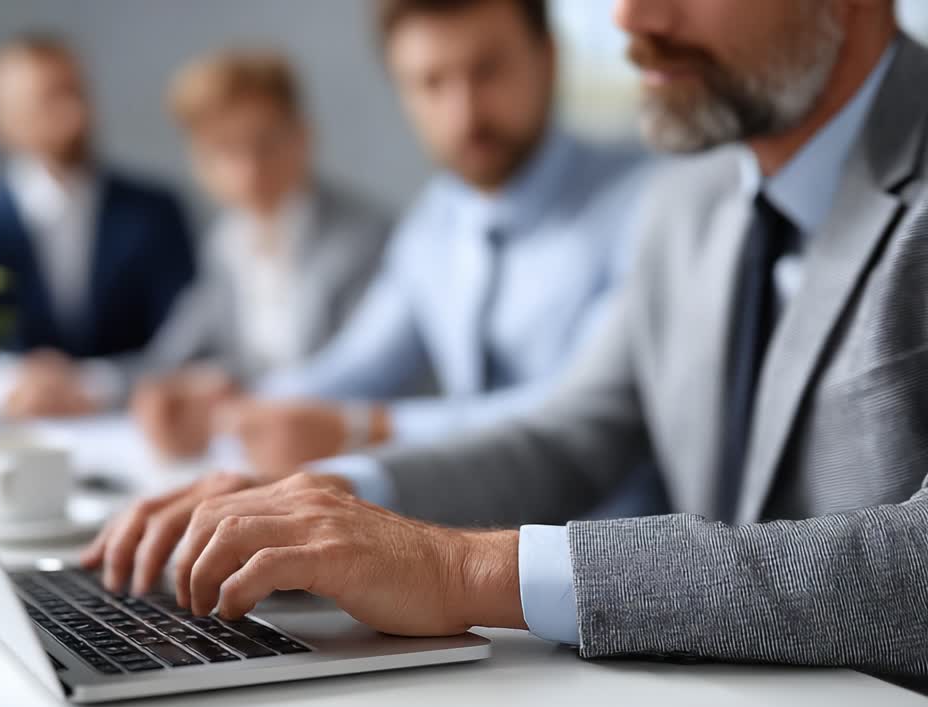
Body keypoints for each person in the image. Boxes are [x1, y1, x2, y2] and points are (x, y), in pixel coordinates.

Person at [83, 0, 928, 680]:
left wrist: (470, 570)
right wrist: (316, 502)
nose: (632, 20)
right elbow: (575, 432)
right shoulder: (688, 201)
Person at [140, 0, 652, 474]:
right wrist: (230, 408)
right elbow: (352, 367)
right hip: (469, 531)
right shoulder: (432, 225)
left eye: (487, 70)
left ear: (549, 58)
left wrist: (363, 430)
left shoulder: (646, 206)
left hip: (609, 549)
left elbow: (581, 414)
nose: (464, 113)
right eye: (431, 82)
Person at [130, 49, 392, 459]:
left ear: (303, 136)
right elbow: (171, 355)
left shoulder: (363, 239)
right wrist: (169, 391)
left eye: (265, 143)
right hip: (256, 449)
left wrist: (233, 397)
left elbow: (366, 375)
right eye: (225, 150)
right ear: (199, 162)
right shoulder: (225, 243)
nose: (250, 168)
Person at [0, 34, 196, 420]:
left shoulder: (154, 213)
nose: (71, 111)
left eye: (76, 92)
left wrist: (92, 384)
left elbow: (186, 343)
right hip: (20, 431)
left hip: (130, 430)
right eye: (48, 98)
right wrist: (13, 385)